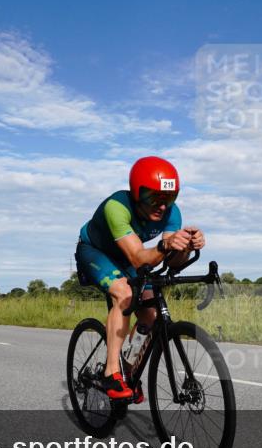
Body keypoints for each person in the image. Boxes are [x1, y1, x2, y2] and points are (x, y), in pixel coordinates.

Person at [75, 156, 205, 401]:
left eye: (169, 198)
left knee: (151, 314)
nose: (162, 206)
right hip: (96, 252)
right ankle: (110, 373)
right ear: (136, 193)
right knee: (124, 294)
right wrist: (166, 244)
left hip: (127, 257)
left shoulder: (171, 213)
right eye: (153, 198)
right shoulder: (117, 206)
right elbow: (138, 258)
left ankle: (127, 369)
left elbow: (172, 261)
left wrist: (186, 246)